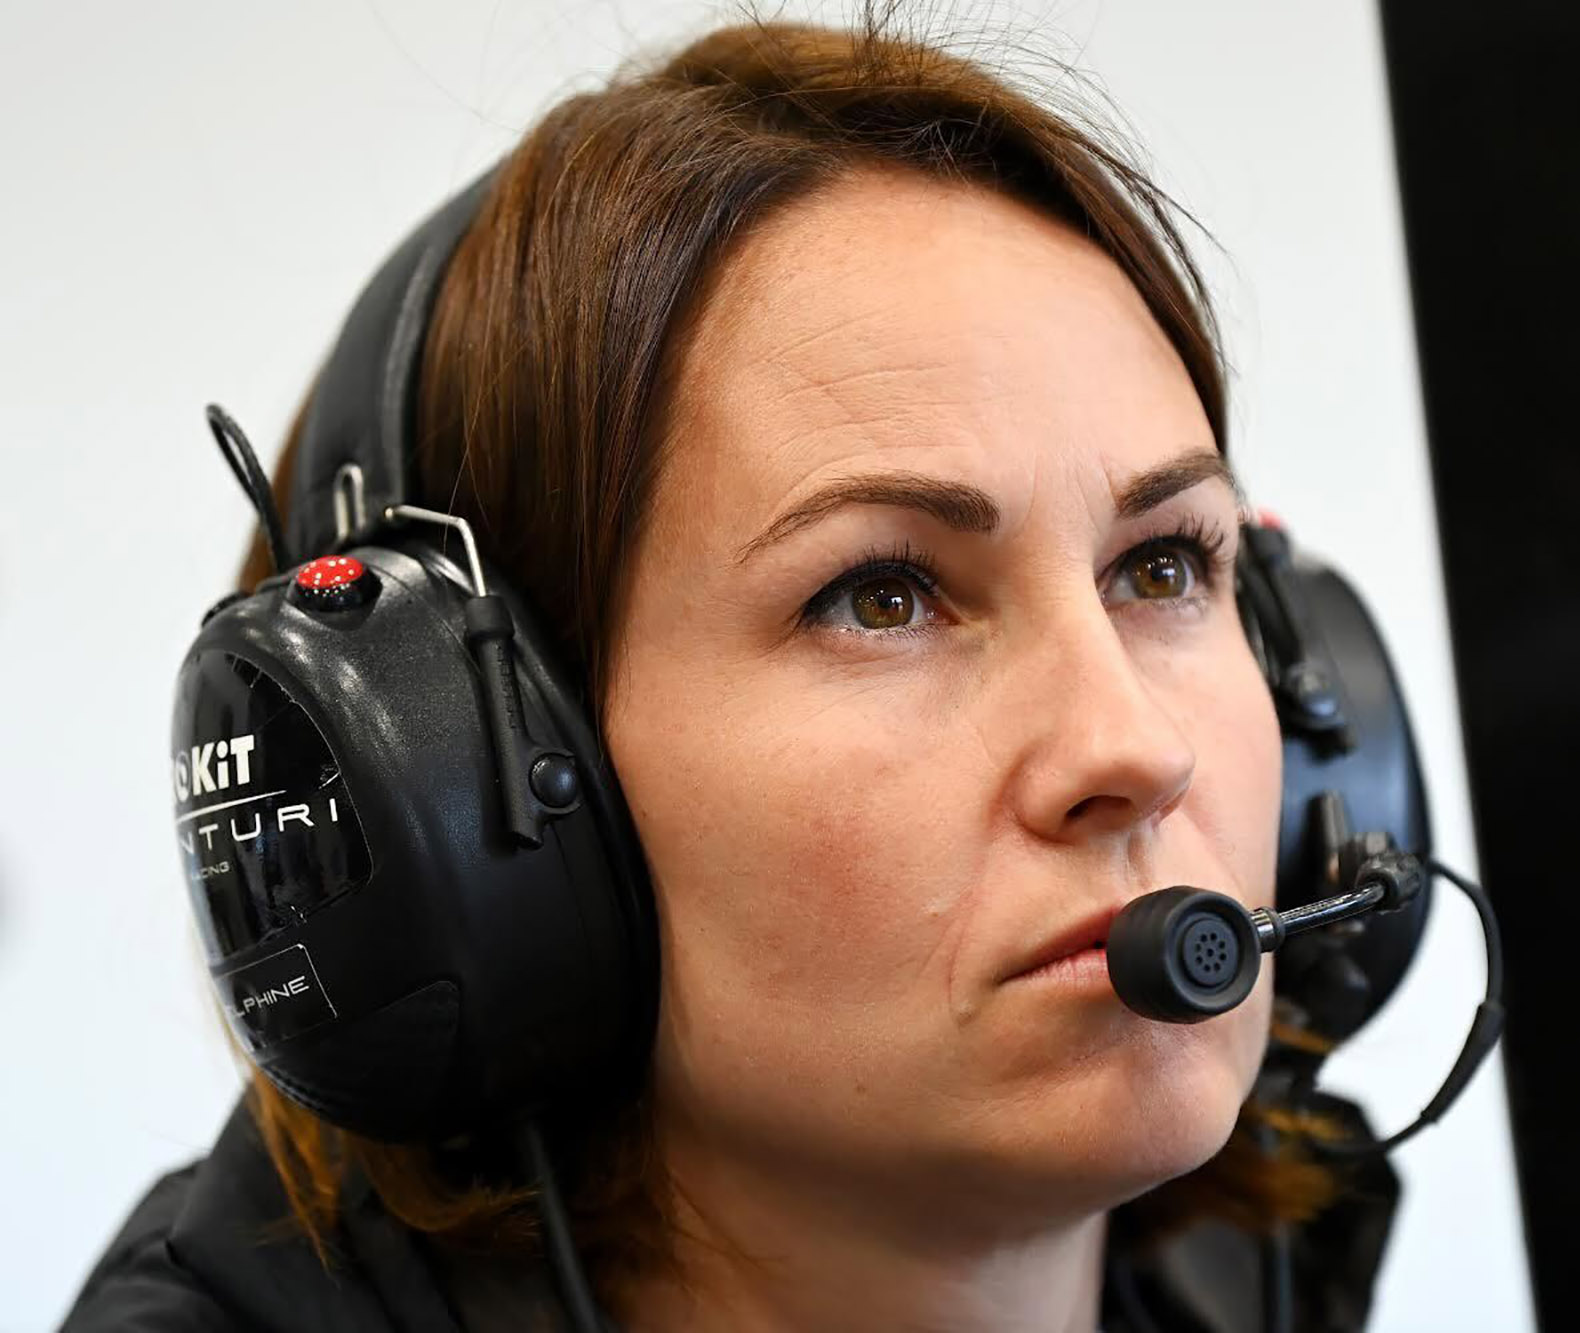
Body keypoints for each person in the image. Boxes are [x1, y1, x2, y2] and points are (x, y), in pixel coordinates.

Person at [63, 11, 1398, 1331]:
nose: (1134, 748)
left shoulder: (1263, 1288)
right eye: (882, 594)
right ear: (462, 809)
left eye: (1163, 567)